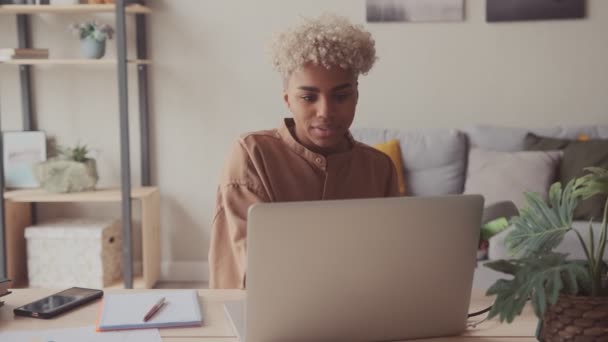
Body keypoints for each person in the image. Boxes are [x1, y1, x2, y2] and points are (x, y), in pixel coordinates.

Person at [209, 14, 399, 289]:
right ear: (287, 99)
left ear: (356, 96)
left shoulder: (379, 167)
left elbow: (392, 258)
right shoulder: (252, 154)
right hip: (265, 315)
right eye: (309, 97)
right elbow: (258, 266)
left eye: (341, 96)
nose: (325, 112)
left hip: (359, 313)